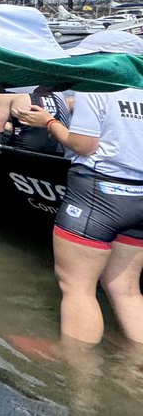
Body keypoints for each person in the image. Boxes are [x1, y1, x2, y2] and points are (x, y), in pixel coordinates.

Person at [15, 32, 143, 346]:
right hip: (139, 195)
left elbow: (83, 145)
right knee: (126, 288)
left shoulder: (97, 86)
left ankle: (78, 375)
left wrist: (47, 122)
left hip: (98, 193)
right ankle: (136, 368)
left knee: (77, 287)